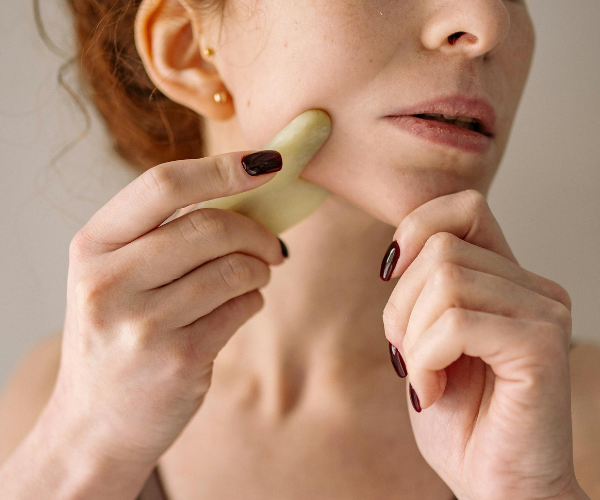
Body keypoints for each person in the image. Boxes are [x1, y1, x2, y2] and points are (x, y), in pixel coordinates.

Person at [0, 0, 598, 498]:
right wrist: (84, 450)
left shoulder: (572, 419)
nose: (488, 21)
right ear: (188, 49)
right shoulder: (47, 402)